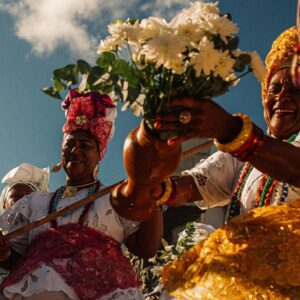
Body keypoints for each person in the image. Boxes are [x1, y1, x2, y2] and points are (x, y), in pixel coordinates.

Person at [0, 90, 169, 300]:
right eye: (70, 144)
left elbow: (146, 248)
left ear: (99, 156)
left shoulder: (115, 199)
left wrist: (155, 196)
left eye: (85, 145)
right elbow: (18, 261)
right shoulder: (34, 203)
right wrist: (4, 252)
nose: (75, 150)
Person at [152, 26, 300, 218]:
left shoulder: (242, 143)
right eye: (275, 89)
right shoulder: (240, 158)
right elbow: (190, 188)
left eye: (296, 90)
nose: (282, 97)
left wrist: (231, 130)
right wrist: (157, 189)